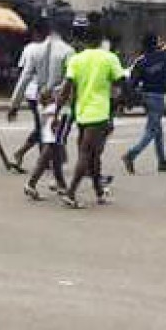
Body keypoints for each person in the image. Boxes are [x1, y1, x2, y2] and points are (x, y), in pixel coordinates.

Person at [57, 24, 126, 208]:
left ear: (85, 41)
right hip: (99, 113)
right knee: (87, 153)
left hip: (81, 112)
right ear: (100, 40)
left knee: (93, 154)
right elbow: (121, 82)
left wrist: (57, 112)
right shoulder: (110, 58)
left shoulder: (76, 59)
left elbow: (66, 89)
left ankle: (99, 192)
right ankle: (71, 193)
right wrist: (119, 103)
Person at [11, 17, 75, 187]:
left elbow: (24, 77)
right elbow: (70, 80)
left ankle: (55, 182)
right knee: (55, 141)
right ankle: (44, 182)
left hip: (42, 101)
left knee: (50, 141)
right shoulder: (68, 51)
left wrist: (14, 104)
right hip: (60, 103)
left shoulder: (34, 50)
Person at [122, 33, 166, 174]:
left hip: (146, 95)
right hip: (157, 96)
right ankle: (131, 155)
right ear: (154, 43)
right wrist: (161, 46)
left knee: (158, 130)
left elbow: (132, 83)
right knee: (152, 131)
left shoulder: (141, 61)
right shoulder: (164, 56)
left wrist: (129, 99)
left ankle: (162, 162)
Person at [8, 26, 46, 171]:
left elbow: (21, 70)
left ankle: (44, 156)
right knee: (42, 128)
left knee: (43, 127)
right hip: (40, 94)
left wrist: (15, 104)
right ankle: (20, 153)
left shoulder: (28, 48)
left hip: (31, 93)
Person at [23, 88, 68, 199]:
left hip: (50, 132)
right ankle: (31, 184)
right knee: (48, 156)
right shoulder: (53, 108)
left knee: (56, 159)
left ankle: (61, 185)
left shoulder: (44, 108)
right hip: (53, 131)